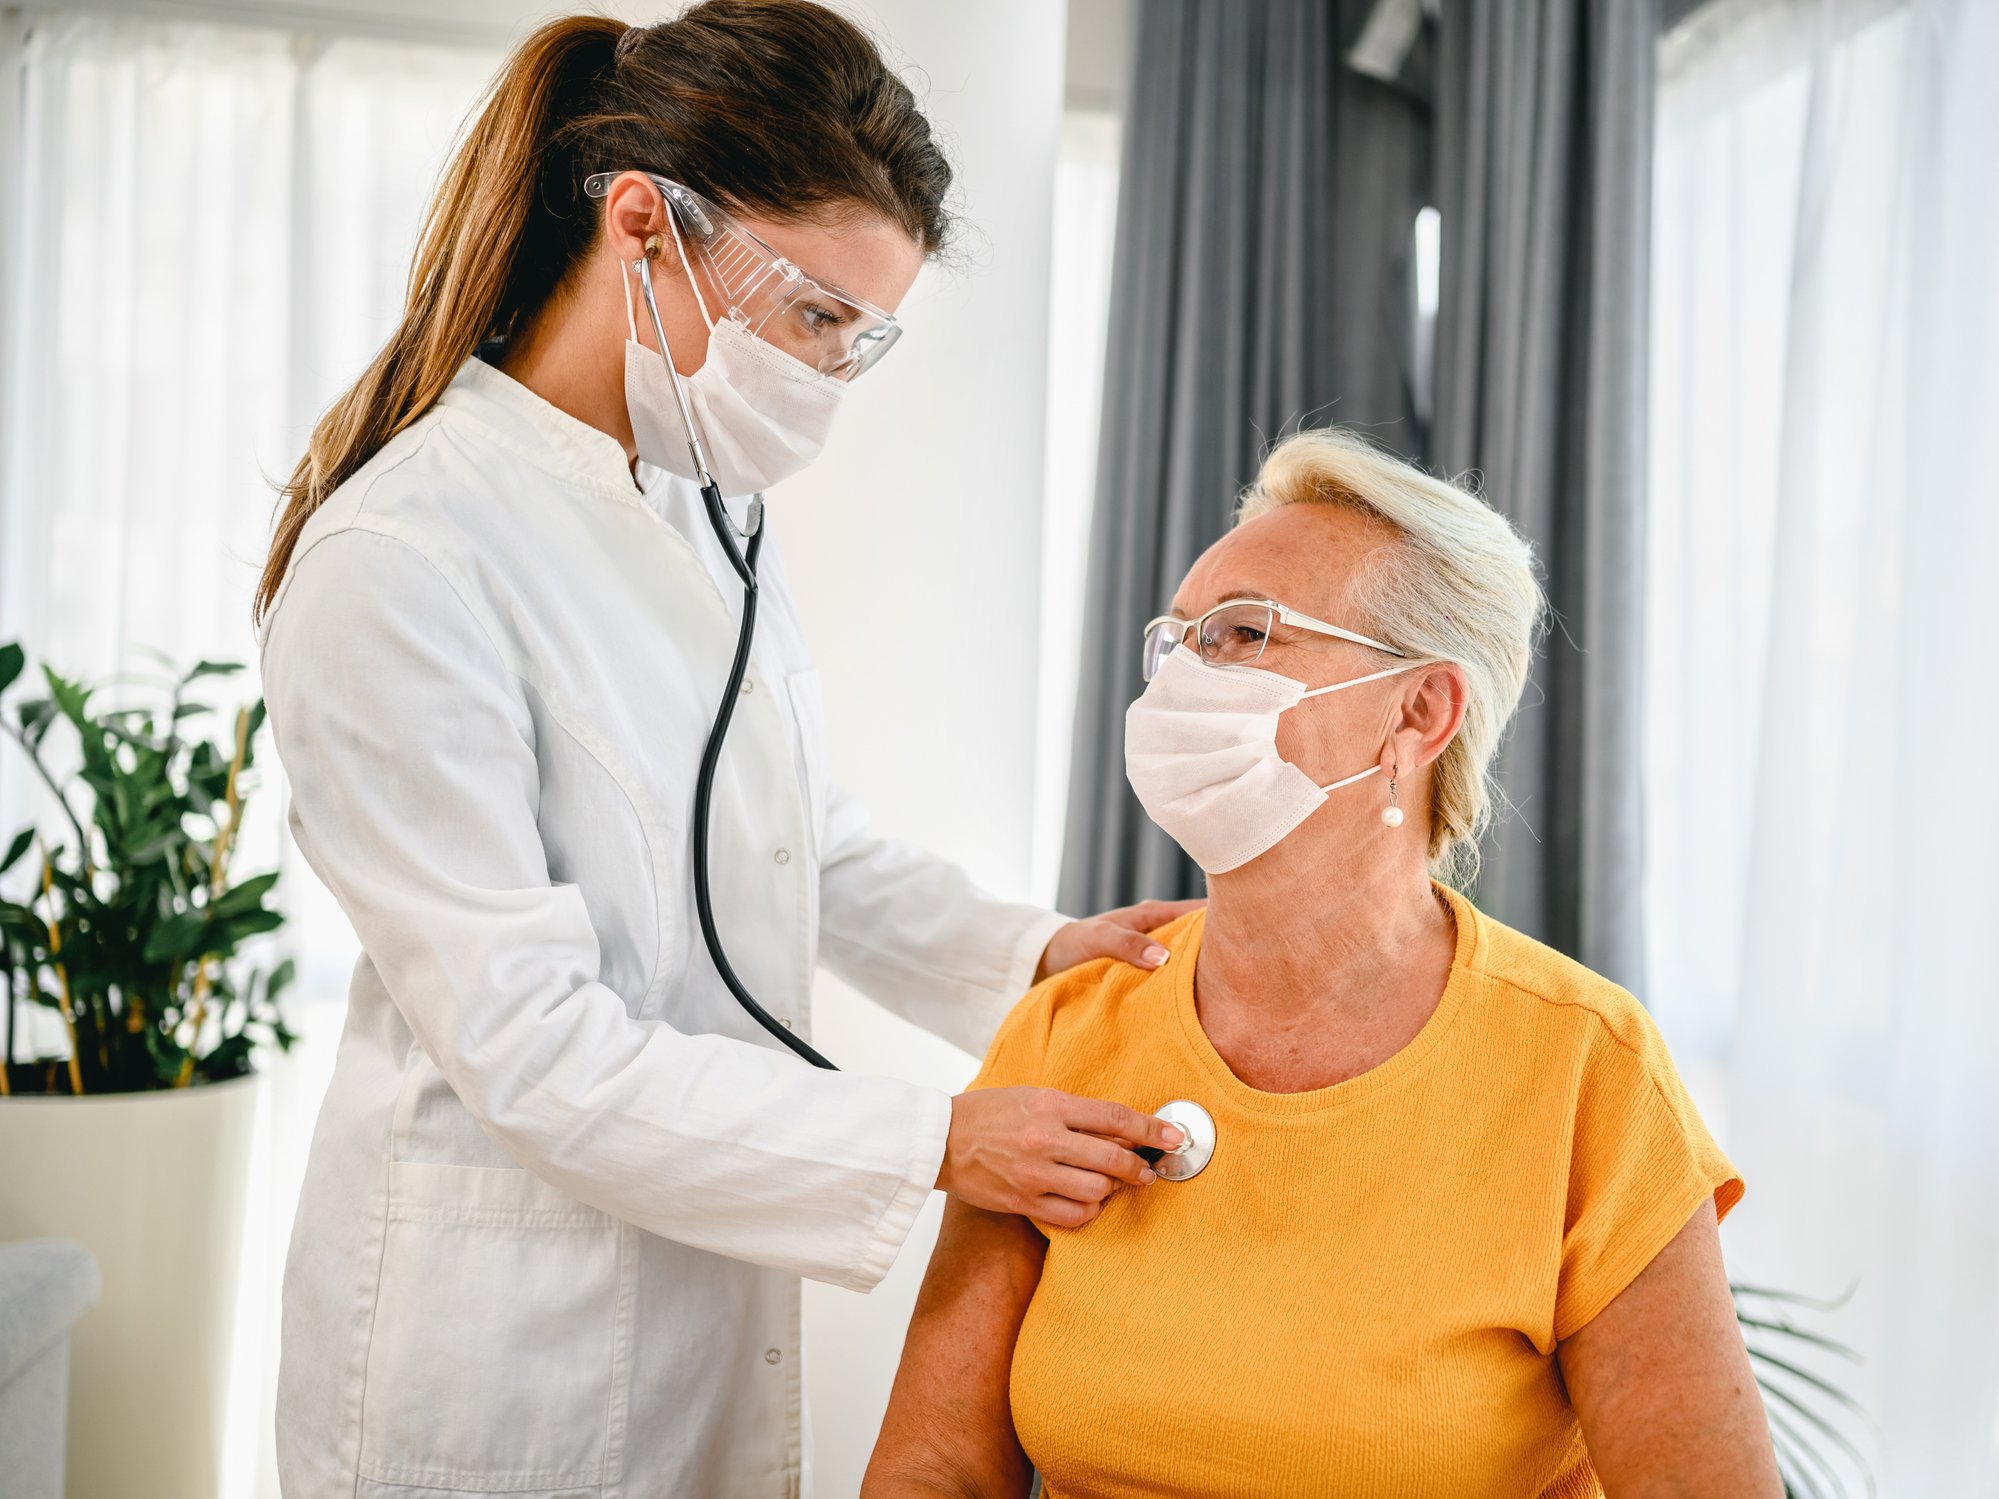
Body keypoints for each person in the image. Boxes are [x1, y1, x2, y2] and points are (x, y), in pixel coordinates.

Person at [256, 6, 1188, 1494]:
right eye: (814, 314)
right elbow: (533, 1046)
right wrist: (934, 1140)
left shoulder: (698, 501)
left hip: (687, 1289)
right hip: (501, 1350)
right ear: (642, 223)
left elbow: (791, 834)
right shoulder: (401, 555)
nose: (826, 373)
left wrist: (1037, 952)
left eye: (855, 339)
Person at [865, 430, 1785, 1498]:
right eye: (1178, 641)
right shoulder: (1068, 1028)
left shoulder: (1586, 1067)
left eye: (1244, 632)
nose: (1185, 679)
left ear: (1419, 709)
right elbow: (935, 1466)